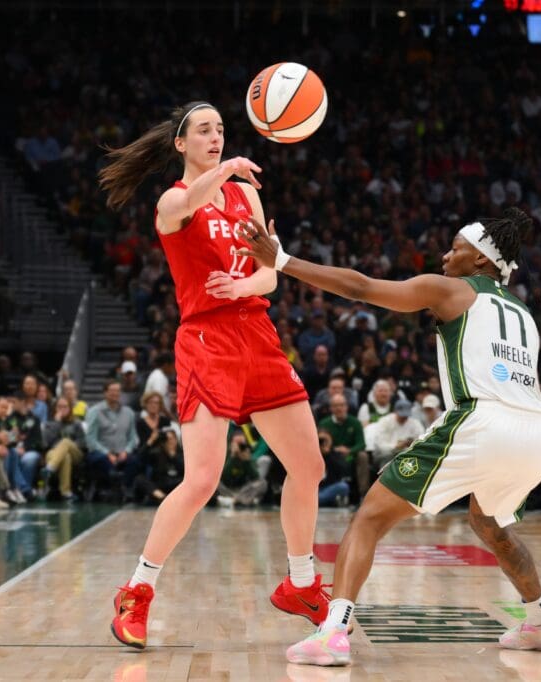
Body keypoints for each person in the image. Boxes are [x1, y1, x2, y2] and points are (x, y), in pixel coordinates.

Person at [239, 208, 541, 666]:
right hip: (536, 432)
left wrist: (282, 261)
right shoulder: (524, 314)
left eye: (455, 248)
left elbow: (361, 288)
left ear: (480, 260)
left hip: (482, 422)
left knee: (370, 518)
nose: (445, 254)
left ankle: (333, 634)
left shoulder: (450, 289)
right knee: (491, 526)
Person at [98, 101, 327, 650]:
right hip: (206, 340)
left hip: (257, 334)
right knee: (202, 480)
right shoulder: (174, 200)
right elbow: (190, 198)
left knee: (310, 466)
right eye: (204, 130)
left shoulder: (246, 193)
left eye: (222, 130)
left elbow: (270, 273)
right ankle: (136, 592)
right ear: (180, 143)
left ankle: (301, 584)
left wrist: (244, 286)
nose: (216, 137)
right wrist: (223, 171)